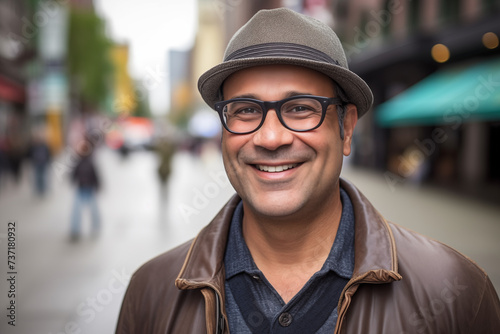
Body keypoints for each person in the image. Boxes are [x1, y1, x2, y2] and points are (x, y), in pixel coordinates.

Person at [116, 8, 500, 333]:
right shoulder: (151, 293)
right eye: (246, 109)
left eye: (300, 108)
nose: (269, 137)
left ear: (346, 128)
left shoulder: (455, 291)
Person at [70, 140, 101, 241]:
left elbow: (96, 175)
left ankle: (96, 229)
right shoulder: (78, 162)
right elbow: (73, 174)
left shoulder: (91, 162)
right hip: (81, 188)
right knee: (76, 211)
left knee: (94, 211)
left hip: (90, 189)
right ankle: (75, 231)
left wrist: (98, 185)